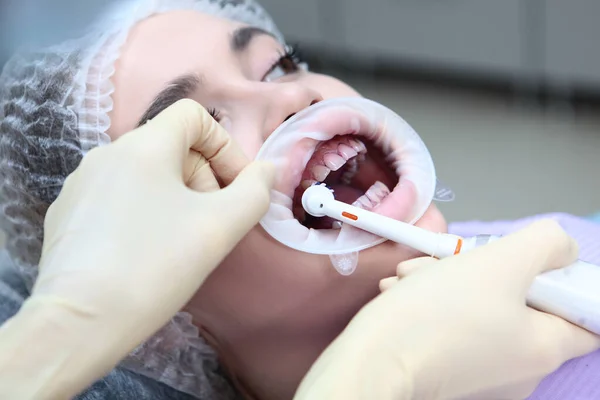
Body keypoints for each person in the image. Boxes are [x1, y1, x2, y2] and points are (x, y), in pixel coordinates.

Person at [1, 0, 600, 398]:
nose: (291, 99)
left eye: (276, 65)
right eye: (199, 141)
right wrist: (386, 366)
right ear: (160, 322)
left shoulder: (562, 248)